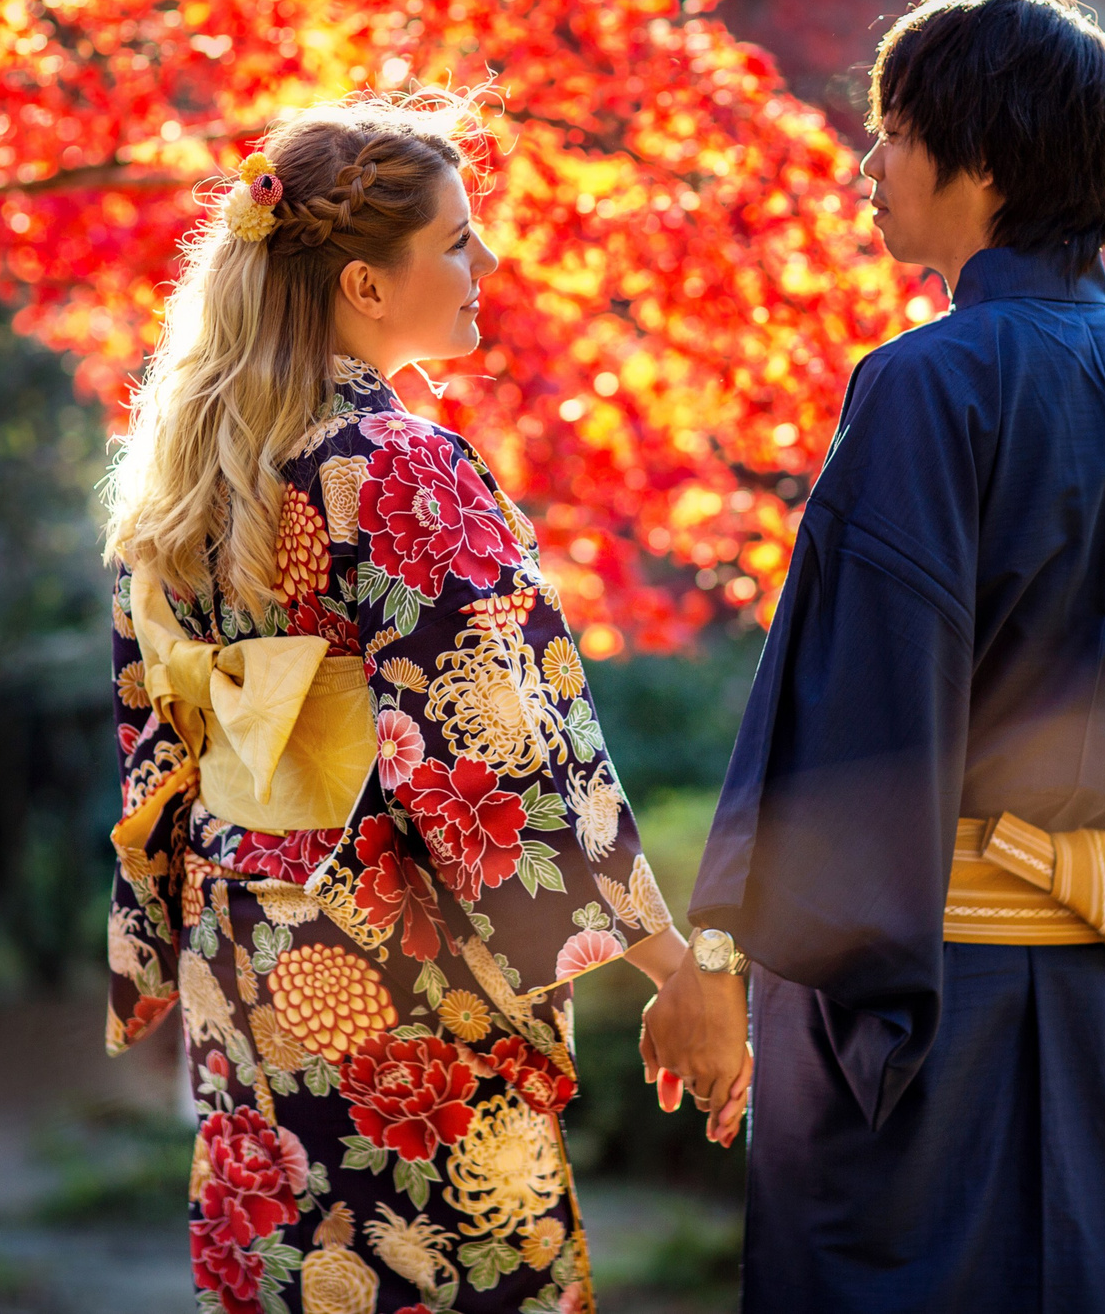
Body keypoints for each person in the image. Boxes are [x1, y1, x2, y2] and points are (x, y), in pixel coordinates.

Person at [640, 0, 1105, 1313]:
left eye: (892, 128)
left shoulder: (924, 379)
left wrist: (720, 957)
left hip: (919, 1010)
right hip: (1100, 997)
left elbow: (850, 703)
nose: (868, 164)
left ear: (976, 156)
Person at [100, 96, 700, 1314]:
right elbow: (496, 751)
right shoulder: (394, 464)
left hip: (248, 956)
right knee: (448, 1271)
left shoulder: (183, 484)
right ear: (367, 286)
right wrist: (669, 964)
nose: (486, 265)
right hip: (394, 972)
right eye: (459, 241)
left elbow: (157, 744)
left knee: (293, 1269)